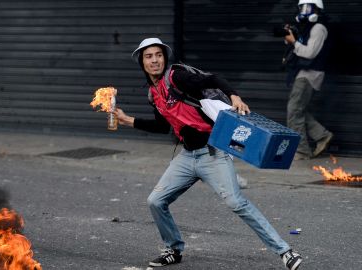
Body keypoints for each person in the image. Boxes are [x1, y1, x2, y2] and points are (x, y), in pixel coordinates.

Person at [116, 37, 302, 270]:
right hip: (187, 157)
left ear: (165, 57)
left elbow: (211, 79)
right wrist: (128, 120)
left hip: (213, 154)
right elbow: (163, 127)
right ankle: (173, 249)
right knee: (155, 201)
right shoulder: (154, 94)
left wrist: (234, 95)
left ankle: (285, 251)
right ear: (142, 62)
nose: (155, 60)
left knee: (237, 202)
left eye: (158, 55)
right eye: (149, 56)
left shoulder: (176, 76)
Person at [283, 0, 333, 160]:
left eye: (308, 8)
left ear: (317, 10)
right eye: (301, 8)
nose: (304, 11)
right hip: (303, 74)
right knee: (298, 110)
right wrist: (291, 39)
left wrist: (294, 43)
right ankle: (322, 135)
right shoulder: (309, 27)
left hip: (309, 75)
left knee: (294, 111)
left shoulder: (319, 28)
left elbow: (309, 53)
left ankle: (302, 151)